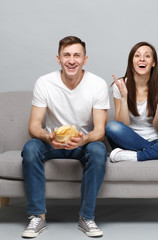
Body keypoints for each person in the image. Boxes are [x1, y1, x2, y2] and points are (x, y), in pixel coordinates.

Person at [21, 36, 110, 238]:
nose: (71, 60)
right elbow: (34, 126)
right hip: (53, 141)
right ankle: (37, 217)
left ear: (85, 59)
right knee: (30, 148)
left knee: (98, 150)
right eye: (66, 55)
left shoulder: (97, 84)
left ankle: (86, 218)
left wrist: (84, 139)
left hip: (82, 142)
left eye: (77, 55)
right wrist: (47, 135)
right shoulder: (44, 82)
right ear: (58, 58)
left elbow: (99, 131)